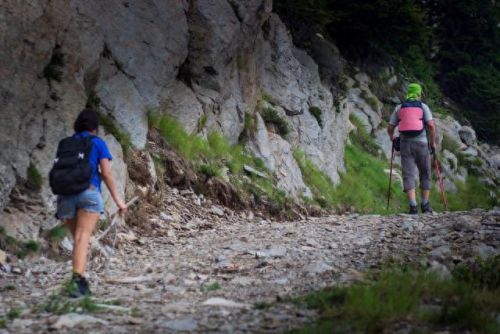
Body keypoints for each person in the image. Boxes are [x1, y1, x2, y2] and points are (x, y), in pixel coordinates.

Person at [55, 108, 128, 297]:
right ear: (95, 128)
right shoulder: (97, 143)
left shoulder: (66, 143)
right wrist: (119, 201)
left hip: (65, 195)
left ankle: (81, 280)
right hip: (88, 193)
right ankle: (77, 283)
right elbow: (106, 173)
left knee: (78, 239)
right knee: (82, 238)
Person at [387, 83, 436, 214]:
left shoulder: (399, 107)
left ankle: (413, 206)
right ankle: (425, 205)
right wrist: (433, 143)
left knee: (408, 174)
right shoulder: (423, 107)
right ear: (419, 94)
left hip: (405, 145)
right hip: (422, 144)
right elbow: (431, 126)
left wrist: (393, 139)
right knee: (425, 173)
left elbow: (390, 128)